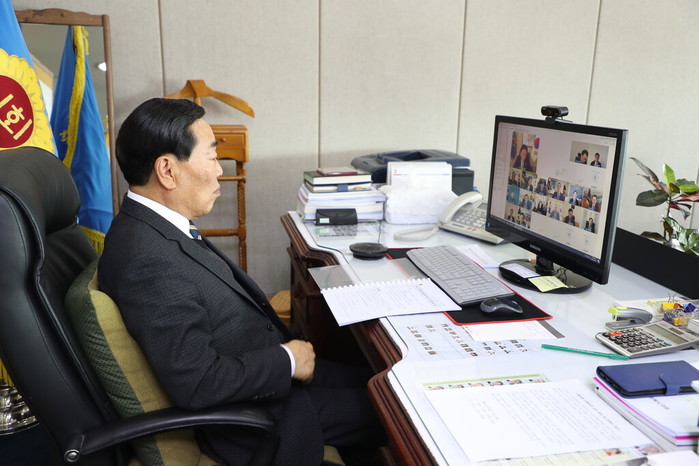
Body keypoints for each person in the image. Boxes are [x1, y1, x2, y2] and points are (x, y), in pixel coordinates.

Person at [99, 98, 383, 465]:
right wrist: (286, 360)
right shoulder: (146, 257)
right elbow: (197, 382)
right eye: (212, 157)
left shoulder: (154, 227)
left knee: (380, 378)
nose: (219, 171)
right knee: (398, 406)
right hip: (257, 416)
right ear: (167, 170)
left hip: (265, 379)